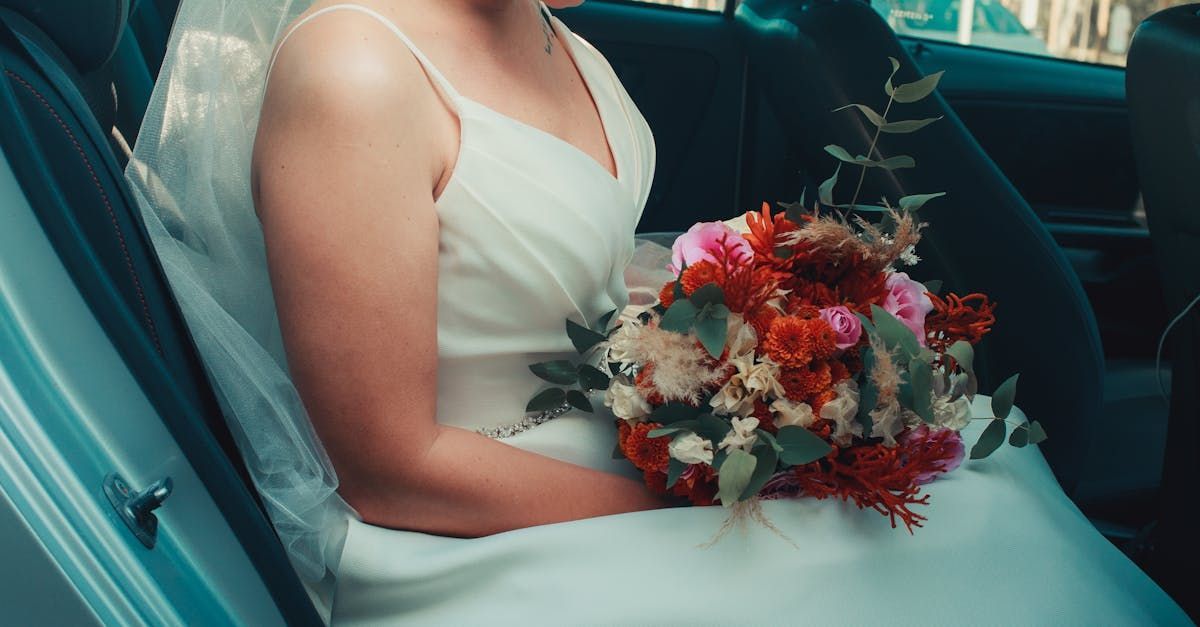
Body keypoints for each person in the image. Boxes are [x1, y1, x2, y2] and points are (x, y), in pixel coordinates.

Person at [129, 1, 1190, 624]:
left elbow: (566, 281)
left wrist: (757, 323)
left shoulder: (561, 39)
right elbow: (387, 465)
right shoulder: (353, 70)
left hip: (611, 438)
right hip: (462, 524)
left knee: (984, 483)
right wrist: (700, 502)